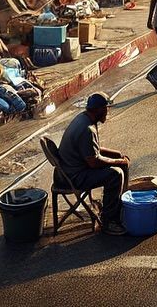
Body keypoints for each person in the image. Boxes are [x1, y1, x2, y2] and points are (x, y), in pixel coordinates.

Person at [56, 93, 131, 235]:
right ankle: (109, 221)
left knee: (119, 162)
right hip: (74, 176)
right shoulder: (87, 129)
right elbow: (94, 162)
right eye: (106, 108)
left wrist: (117, 154)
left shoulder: (83, 118)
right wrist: (119, 162)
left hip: (70, 169)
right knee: (115, 174)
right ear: (99, 109)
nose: (107, 112)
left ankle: (116, 206)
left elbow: (91, 149)